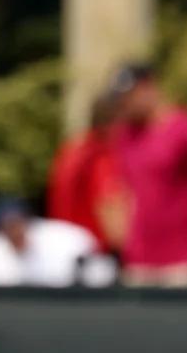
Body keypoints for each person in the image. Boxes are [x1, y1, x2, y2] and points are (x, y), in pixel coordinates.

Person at [108, 64, 187, 286]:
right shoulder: (125, 136)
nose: (123, 104)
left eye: (129, 96)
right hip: (139, 261)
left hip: (186, 260)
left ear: (148, 88)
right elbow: (122, 191)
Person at [0, 197, 114, 287]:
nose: (16, 230)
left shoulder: (66, 239)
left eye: (19, 223)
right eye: (8, 226)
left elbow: (101, 274)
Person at [46, 94, 128, 253]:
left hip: (65, 247)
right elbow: (110, 207)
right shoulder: (102, 157)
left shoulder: (72, 150)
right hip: (96, 253)